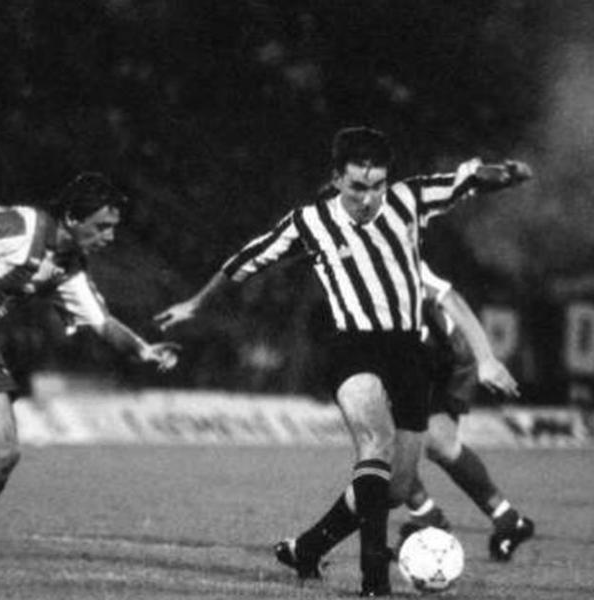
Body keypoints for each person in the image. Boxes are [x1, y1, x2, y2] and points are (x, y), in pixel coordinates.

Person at [155, 126, 531, 596]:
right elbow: (244, 262)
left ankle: (308, 548)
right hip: (353, 347)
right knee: (375, 443)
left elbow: (467, 179)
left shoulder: (410, 198)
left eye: (377, 186)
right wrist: (196, 304)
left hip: (409, 354)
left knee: (397, 488)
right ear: (336, 178)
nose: (368, 198)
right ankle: (375, 582)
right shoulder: (309, 221)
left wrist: (506, 173)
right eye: (357, 187)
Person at [0, 172, 179, 509]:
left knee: (3, 455)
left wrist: (143, 350)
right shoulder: (21, 227)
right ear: (71, 217)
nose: (110, 237)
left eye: (113, 228)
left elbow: (102, 322)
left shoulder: (68, 267)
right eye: (102, 226)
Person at [391, 260, 535, 561]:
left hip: (445, 354)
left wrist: (486, 359)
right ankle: (507, 519)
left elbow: (450, 299)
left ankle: (427, 517)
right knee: (439, 445)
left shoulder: (394, 252)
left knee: (390, 441)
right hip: (415, 355)